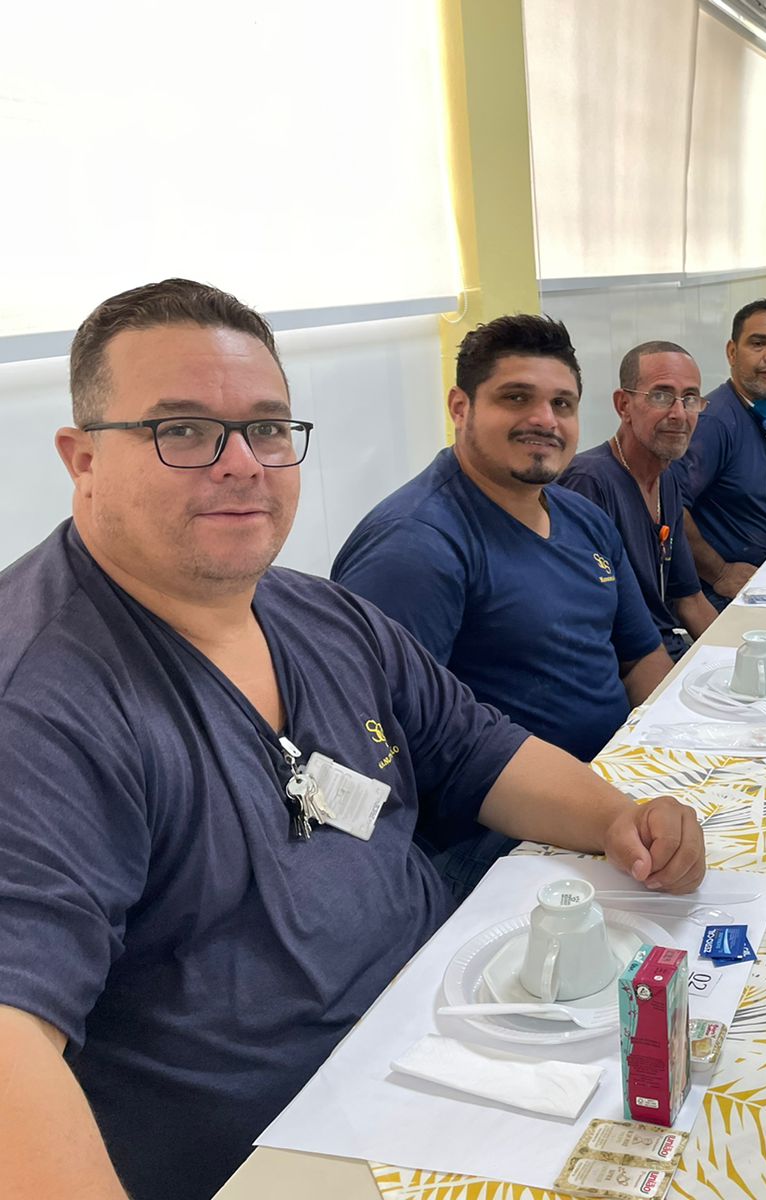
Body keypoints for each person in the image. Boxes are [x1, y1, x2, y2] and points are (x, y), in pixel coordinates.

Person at [0, 279, 705, 1200]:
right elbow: (14, 1035)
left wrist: (619, 818)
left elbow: (478, 749)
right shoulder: (42, 701)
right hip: (295, 1144)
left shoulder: (319, 615)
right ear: (84, 458)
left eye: (265, 427)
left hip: (453, 1027)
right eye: (184, 430)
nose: (242, 464)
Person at [333, 314, 674, 894]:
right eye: (516, 398)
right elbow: (378, 749)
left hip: (612, 779)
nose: (544, 419)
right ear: (460, 407)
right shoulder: (416, 547)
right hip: (498, 837)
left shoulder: (581, 517)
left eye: (562, 404)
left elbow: (641, 657)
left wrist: (675, 761)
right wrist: (603, 808)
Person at [559, 341, 720, 661]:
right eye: (661, 396)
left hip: (667, 650)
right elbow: (594, 630)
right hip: (630, 667)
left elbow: (690, 600)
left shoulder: (666, 479)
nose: (679, 414)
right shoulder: (588, 484)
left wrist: (738, 659)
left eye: (690, 398)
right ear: (623, 405)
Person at [678, 299, 766, 607]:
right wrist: (719, 572)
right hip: (720, 596)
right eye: (758, 343)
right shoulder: (713, 424)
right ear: (732, 353)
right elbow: (668, 508)